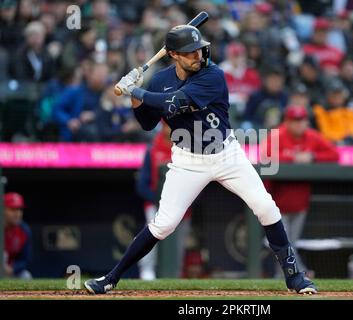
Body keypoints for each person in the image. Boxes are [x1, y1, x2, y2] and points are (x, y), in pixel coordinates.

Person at [84, 24, 317, 294]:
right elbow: (148, 124)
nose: (198, 56)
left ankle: (295, 278)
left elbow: (174, 103)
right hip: (187, 160)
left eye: (199, 49)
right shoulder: (159, 81)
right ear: (172, 54)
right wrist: (136, 100)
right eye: (190, 52)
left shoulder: (213, 75)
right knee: (164, 224)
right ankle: (110, 278)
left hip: (226, 153)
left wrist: (135, 92)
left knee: (266, 208)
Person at [262, 105, 339, 274]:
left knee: (290, 243)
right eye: (294, 121)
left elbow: (335, 154)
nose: (298, 124)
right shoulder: (278, 135)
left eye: (301, 120)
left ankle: (285, 276)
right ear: (287, 121)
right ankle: (300, 273)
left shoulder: (312, 136)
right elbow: (265, 155)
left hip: (300, 201)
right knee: (285, 243)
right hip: (276, 201)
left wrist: (313, 156)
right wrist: (293, 157)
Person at [135, 122, 192, 280]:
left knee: (178, 243)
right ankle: (147, 272)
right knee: (150, 238)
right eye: (167, 126)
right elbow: (142, 185)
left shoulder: (187, 150)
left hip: (181, 207)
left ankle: (176, 273)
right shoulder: (152, 149)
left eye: (173, 126)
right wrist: (159, 201)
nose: (170, 130)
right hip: (155, 205)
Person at [3, 192, 32, 279]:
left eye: (20, 209)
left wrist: (13, 268)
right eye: (13, 209)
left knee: (26, 276)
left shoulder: (24, 230)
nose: (17, 213)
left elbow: (26, 259)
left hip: (10, 270)